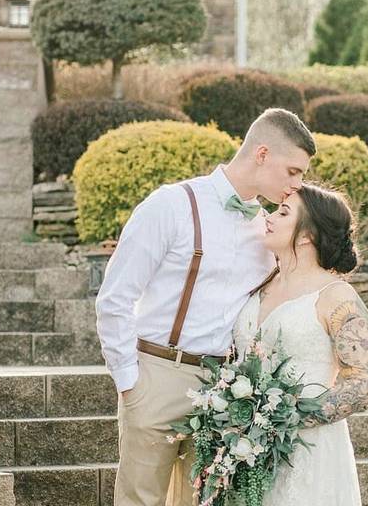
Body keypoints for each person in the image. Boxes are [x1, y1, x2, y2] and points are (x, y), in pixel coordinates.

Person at [95, 108, 316, 506]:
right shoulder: (171, 205)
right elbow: (115, 297)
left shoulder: (268, 229)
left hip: (226, 388)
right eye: (293, 171)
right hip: (158, 375)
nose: (297, 185)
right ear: (262, 153)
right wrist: (130, 383)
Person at [233, 182, 368, 506]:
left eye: (283, 212)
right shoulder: (258, 284)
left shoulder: (336, 297)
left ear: (306, 235)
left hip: (310, 453)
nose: (268, 217)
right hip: (246, 449)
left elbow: (363, 383)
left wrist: (286, 417)